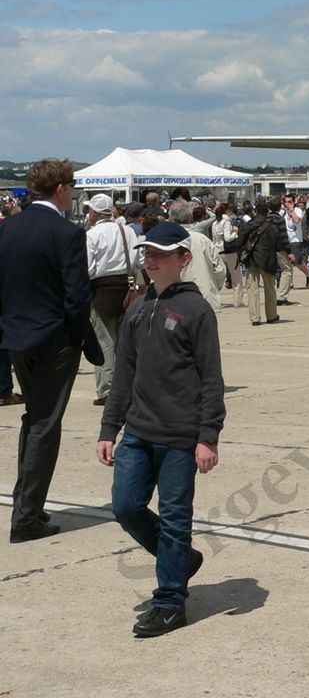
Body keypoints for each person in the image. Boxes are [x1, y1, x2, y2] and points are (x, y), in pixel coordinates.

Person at [96, 222, 224, 637]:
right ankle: (181, 559)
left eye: (161, 254)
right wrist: (108, 428)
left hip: (180, 437)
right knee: (125, 506)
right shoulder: (137, 308)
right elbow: (122, 376)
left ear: (183, 259)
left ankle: (170, 601)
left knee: (174, 518)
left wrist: (208, 436)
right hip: (137, 431)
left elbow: (211, 378)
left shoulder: (196, 311)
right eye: (147, 252)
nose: (151, 259)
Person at [0, 159, 100, 542]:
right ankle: (26, 516)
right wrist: (83, 340)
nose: (73, 193)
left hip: (17, 338)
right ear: (60, 188)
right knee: (45, 424)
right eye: (72, 185)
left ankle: (28, 504)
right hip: (54, 338)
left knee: (35, 419)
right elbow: (77, 297)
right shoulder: (65, 232)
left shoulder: (7, 228)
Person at [85, 192, 140, 406]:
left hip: (101, 291)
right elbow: (138, 260)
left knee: (104, 343)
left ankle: (107, 390)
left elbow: (88, 268)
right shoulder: (126, 230)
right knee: (123, 342)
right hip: (126, 289)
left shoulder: (92, 235)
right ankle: (126, 387)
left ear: (95, 213)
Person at [223, 199, 283, 326]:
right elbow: (278, 244)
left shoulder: (249, 224)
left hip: (252, 260)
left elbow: (239, 241)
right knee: (270, 289)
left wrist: (241, 254)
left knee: (252, 289)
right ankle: (271, 315)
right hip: (268, 260)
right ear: (267, 212)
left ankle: (255, 317)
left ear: (255, 211)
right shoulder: (272, 226)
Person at [169, 199, 226, 313]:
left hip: (174, 300)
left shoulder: (166, 240)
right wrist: (213, 287)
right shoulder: (203, 240)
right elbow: (220, 270)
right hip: (204, 298)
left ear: (171, 218)